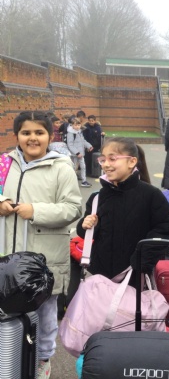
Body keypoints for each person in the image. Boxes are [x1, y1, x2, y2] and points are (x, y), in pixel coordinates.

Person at [0, 111, 82, 379]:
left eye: (39, 132)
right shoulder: (4, 164)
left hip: (43, 261)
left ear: (50, 136)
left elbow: (73, 208)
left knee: (45, 319)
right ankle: (9, 364)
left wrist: (36, 210)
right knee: (6, 316)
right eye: (26, 132)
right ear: (17, 136)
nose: (32, 138)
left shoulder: (61, 167)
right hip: (6, 259)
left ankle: (41, 364)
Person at [76, 137, 169, 284]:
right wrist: (86, 225)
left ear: (132, 162)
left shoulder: (150, 195)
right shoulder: (98, 197)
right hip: (100, 277)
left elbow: (166, 227)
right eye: (103, 159)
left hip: (134, 277)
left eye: (112, 159)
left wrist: (142, 259)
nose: (106, 164)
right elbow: (85, 232)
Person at [66, 118, 93, 187]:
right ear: (72, 125)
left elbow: (83, 141)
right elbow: (70, 145)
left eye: (79, 125)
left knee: (83, 167)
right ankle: (71, 182)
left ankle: (84, 181)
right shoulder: (70, 133)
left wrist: (89, 146)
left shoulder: (79, 132)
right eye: (76, 125)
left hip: (81, 153)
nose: (77, 126)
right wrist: (77, 153)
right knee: (74, 167)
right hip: (74, 154)